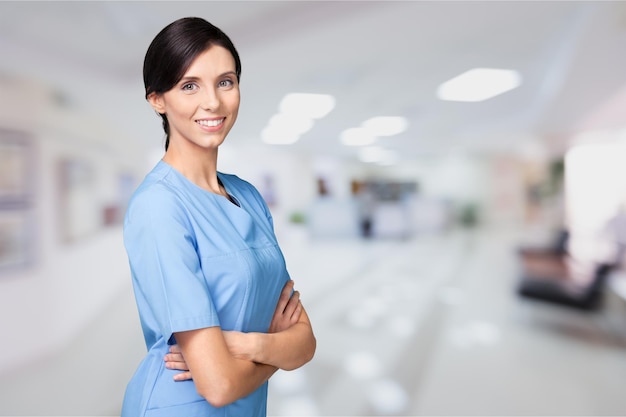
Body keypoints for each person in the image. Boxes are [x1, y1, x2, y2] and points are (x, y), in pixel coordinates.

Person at [121, 17, 316, 417]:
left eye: (225, 81)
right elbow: (219, 384)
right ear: (157, 99)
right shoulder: (159, 206)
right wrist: (277, 348)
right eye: (189, 85)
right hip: (177, 405)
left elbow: (306, 343)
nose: (212, 102)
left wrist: (247, 346)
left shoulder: (248, 196)